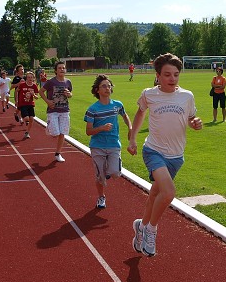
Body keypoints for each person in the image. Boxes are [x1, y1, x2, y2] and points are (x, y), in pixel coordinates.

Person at [127, 53, 202, 257]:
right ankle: (151, 230)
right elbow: (140, 113)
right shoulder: (149, 94)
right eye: (167, 74)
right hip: (153, 151)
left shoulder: (187, 96)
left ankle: (141, 226)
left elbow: (191, 118)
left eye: (176, 74)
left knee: (155, 194)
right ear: (158, 75)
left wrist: (195, 123)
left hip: (176, 156)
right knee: (168, 193)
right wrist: (133, 138)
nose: (172, 78)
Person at [84, 75, 132, 209]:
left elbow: (125, 115)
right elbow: (88, 131)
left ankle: (110, 168)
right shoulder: (92, 109)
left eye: (109, 86)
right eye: (104, 86)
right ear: (97, 90)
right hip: (97, 146)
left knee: (115, 173)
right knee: (100, 177)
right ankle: (101, 197)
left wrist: (130, 127)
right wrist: (102, 128)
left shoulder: (117, 105)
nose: (107, 88)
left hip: (113, 144)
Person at [40, 61, 73, 163]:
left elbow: (71, 94)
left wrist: (69, 94)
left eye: (63, 68)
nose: (62, 69)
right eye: (59, 68)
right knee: (55, 133)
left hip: (65, 110)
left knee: (62, 133)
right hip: (53, 110)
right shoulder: (51, 82)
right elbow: (41, 91)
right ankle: (49, 126)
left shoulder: (68, 82)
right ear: (55, 71)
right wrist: (47, 101)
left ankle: (58, 153)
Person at [15, 71, 39, 139]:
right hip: (23, 104)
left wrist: (33, 94)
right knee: (26, 118)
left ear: (33, 78)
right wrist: (16, 100)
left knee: (31, 119)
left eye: (31, 77)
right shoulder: (22, 85)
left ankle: (27, 132)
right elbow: (16, 91)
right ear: (26, 78)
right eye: (28, 77)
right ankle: (24, 119)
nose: (30, 79)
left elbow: (37, 97)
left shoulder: (34, 86)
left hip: (30, 104)